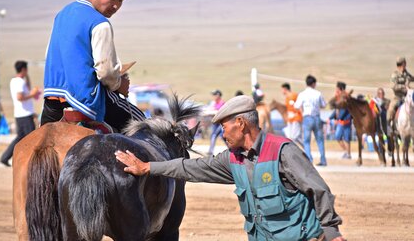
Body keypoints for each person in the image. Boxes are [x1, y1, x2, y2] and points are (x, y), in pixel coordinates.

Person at [115, 95, 346, 241]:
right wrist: (147, 167)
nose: (222, 134)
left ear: (241, 123)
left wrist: (332, 233)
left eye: (224, 127)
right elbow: (189, 167)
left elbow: (319, 190)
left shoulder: (283, 151)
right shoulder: (232, 159)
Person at [41, 0, 133, 125]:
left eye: (121, 0)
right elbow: (106, 72)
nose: (116, 6)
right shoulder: (99, 23)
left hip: (52, 102)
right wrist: (119, 84)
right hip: (84, 101)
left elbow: (50, 55)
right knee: (142, 125)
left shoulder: (62, 14)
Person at [0, 61, 41, 167]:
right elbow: (20, 97)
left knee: (20, 138)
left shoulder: (14, 81)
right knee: (32, 138)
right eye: (26, 69)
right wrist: (32, 95)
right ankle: (31, 162)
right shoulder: (19, 82)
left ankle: (5, 157)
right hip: (24, 115)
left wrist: (27, 77)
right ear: (23, 69)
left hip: (20, 114)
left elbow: (27, 86)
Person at [294, 75, 327, 166]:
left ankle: (309, 160)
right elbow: (324, 105)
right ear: (313, 84)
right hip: (316, 117)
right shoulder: (318, 93)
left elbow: (296, 106)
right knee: (320, 140)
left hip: (307, 118)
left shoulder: (302, 94)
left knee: (306, 141)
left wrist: (302, 108)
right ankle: (323, 160)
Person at [387, 56, 414, 131]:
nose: (404, 66)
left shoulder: (407, 74)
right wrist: (403, 87)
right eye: (403, 64)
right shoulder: (395, 74)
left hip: (407, 97)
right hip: (397, 97)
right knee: (390, 111)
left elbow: (412, 78)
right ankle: (389, 129)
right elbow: (393, 86)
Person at [328, 82, 352, 159]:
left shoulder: (346, 97)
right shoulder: (339, 97)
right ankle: (346, 151)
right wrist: (330, 117)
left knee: (347, 138)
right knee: (338, 137)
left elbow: (344, 110)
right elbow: (336, 110)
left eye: (337, 88)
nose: (336, 90)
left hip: (346, 121)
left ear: (340, 89)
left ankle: (348, 154)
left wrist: (338, 119)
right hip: (340, 122)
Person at [207, 89, 226, 155]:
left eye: (215, 95)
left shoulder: (222, 103)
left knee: (217, 136)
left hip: (220, 123)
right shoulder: (213, 103)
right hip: (215, 123)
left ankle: (210, 151)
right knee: (216, 136)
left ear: (218, 95)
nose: (214, 96)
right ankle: (210, 151)